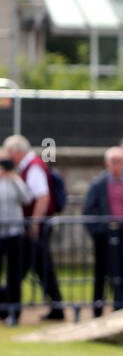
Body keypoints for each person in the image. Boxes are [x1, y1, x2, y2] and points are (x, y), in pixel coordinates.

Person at [5, 135, 65, 321]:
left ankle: (10, 306)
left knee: (30, 266)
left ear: (17, 151)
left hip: (36, 226)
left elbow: (42, 197)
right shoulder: (29, 167)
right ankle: (56, 307)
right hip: (35, 226)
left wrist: (34, 224)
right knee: (38, 266)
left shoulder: (33, 167)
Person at [83, 146, 123, 317]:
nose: (117, 165)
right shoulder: (98, 184)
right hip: (104, 235)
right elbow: (89, 209)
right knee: (101, 272)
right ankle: (98, 309)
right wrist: (97, 231)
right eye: (114, 162)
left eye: (121, 161)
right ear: (107, 163)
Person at [0, 158, 32, 325]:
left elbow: (26, 198)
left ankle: (14, 313)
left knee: (14, 275)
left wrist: (14, 179)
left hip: (14, 233)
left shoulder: (15, 181)